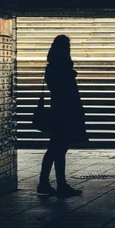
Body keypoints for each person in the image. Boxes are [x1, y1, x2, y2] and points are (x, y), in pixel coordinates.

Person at [37, 35, 88, 196]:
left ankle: (50, 183)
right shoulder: (62, 68)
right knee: (58, 148)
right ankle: (55, 184)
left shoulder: (52, 67)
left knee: (56, 148)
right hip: (64, 113)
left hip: (59, 111)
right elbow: (68, 93)